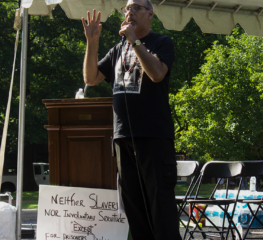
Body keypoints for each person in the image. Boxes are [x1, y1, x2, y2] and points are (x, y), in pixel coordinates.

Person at [82, 0, 181, 239]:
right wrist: (92, 42)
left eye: (136, 7)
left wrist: (135, 42)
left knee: (161, 211)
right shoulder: (118, 49)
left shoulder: (161, 42)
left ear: (150, 14)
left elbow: (157, 74)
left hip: (153, 137)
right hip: (123, 137)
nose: (129, 12)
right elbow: (91, 77)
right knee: (135, 210)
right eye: (127, 8)